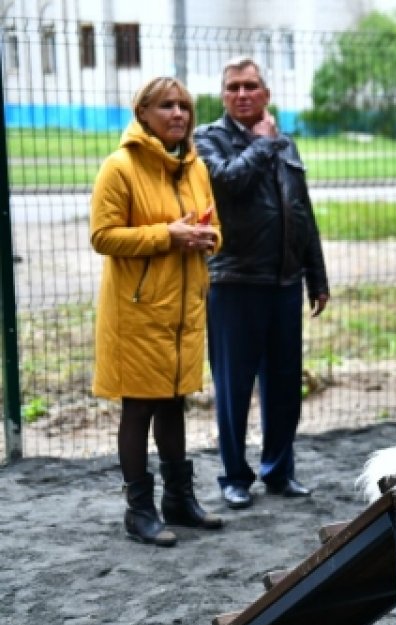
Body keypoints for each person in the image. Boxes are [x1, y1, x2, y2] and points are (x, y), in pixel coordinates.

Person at [90, 76, 226, 547]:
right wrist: (167, 235)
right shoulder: (119, 167)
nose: (178, 115)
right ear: (142, 113)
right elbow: (103, 236)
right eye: (166, 106)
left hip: (184, 308)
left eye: (184, 106)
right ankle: (139, 511)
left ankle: (178, 501)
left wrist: (207, 237)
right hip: (138, 310)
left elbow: (213, 227)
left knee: (174, 400)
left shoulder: (195, 167)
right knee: (140, 405)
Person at [194, 57, 330, 510]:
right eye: (233, 87)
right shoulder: (209, 140)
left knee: (285, 384)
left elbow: (302, 212)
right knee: (234, 386)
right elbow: (228, 184)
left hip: (285, 282)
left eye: (250, 86)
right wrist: (262, 144)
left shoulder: (284, 144)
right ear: (223, 95)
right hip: (234, 281)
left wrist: (317, 276)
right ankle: (234, 476)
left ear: (266, 94)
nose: (242, 94)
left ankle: (279, 470)